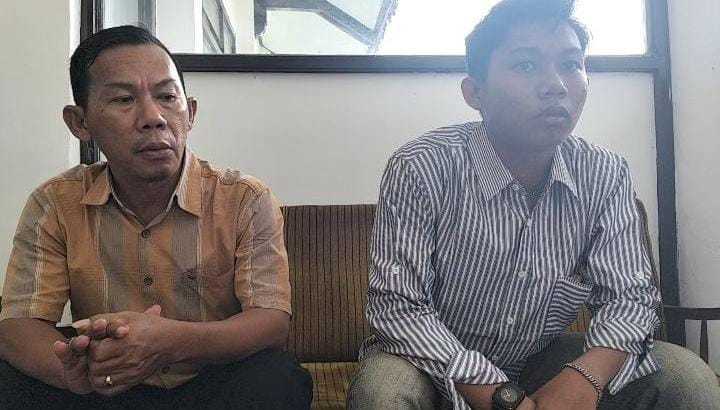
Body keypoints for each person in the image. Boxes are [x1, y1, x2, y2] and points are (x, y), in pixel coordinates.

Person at [346, 0, 720, 409]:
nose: (555, 84)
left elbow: (629, 298)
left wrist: (584, 377)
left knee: (686, 378)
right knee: (382, 390)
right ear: (475, 92)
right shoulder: (421, 166)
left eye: (571, 64)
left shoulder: (604, 172)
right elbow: (397, 306)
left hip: (535, 359)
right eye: (526, 65)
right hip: (428, 362)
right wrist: (498, 394)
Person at [0, 25, 312, 409]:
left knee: (277, 377)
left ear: (190, 112)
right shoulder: (54, 203)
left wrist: (170, 341)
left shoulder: (245, 198)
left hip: (209, 382)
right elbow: (18, 323)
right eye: (123, 99)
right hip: (104, 388)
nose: (153, 117)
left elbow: (271, 321)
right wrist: (76, 373)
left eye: (167, 97)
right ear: (80, 122)